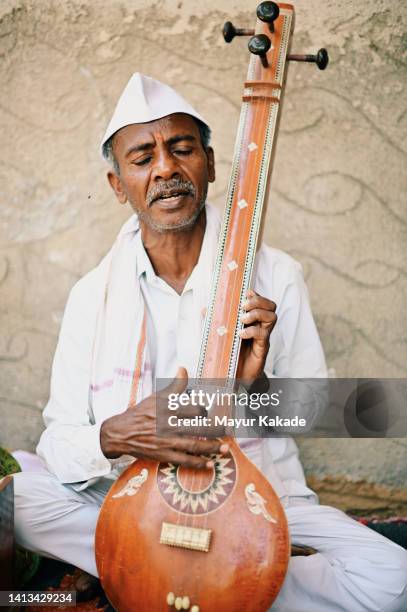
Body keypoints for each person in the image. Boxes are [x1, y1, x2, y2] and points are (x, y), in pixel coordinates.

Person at [13, 74, 407, 611]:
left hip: (252, 498)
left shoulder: (275, 276)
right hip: (131, 500)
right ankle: (221, 581)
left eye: (181, 149)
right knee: (17, 500)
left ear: (212, 164)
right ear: (116, 184)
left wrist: (255, 386)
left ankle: (162, 574)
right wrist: (117, 434)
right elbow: (58, 442)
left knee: (393, 577)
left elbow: (316, 415)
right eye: (143, 156)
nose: (166, 168)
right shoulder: (91, 295)